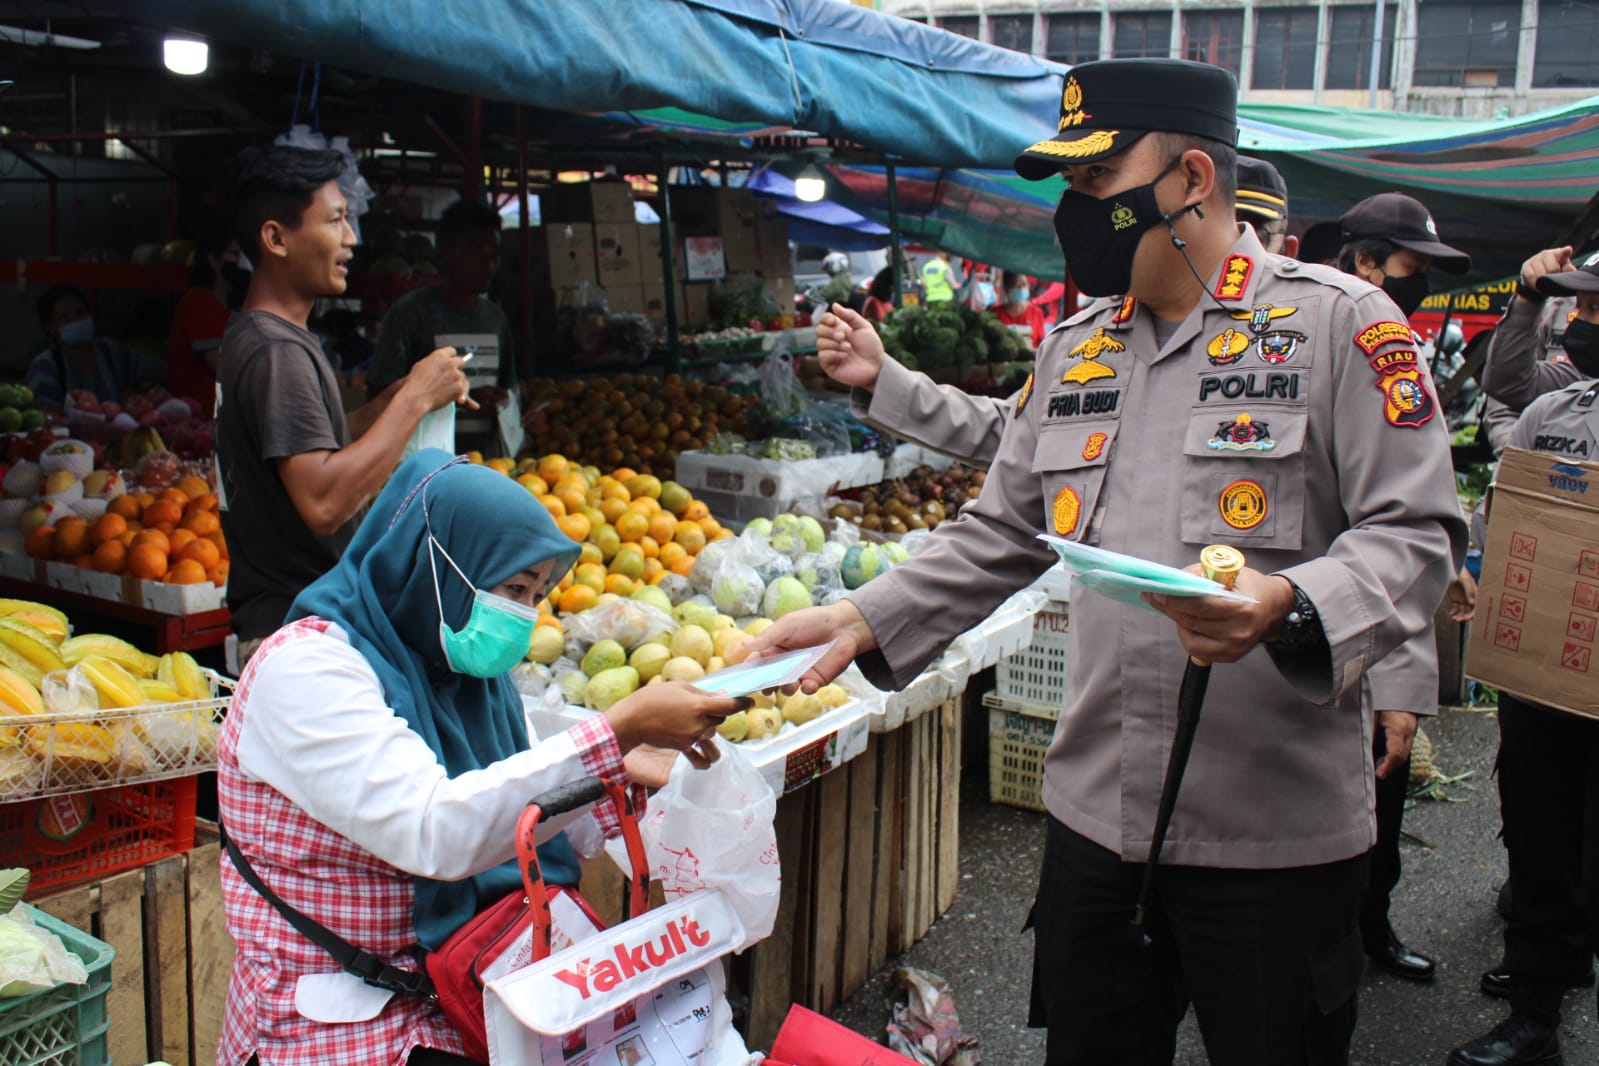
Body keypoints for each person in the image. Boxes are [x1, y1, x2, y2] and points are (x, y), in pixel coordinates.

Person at [753, 58, 1464, 1064]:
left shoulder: (1338, 325)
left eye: (1096, 178)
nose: (1075, 207)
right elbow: (1001, 530)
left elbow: (1417, 532)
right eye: (1069, 182)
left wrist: (1288, 602)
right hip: (1096, 818)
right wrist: (862, 616)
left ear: (1192, 179)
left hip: (1270, 832)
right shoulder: (1074, 347)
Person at [217, 449, 739, 1065]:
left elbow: (524, 822)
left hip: (468, 994)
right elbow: (436, 831)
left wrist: (617, 773)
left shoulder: (469, 678)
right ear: (433, 563)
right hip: (342, 1025)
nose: (524, 615)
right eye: (513, 588)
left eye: (537, 594)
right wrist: (613, 734)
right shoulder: (307, 671)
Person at [215, 144, 473, 664]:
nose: (351, 238)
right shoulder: (277, 351)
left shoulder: (265, 336)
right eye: (335, 220)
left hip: (293, 628)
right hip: (298, 636)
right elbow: (324, 503)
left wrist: (397, 398)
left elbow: (317, 446)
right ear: (276, 239)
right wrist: (415, 399)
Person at [1336, 190, 1475, 983]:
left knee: (1381, 802)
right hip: (1309, 633)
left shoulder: (1398, 355)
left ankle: (1369, 929)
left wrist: (1401, 688)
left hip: (1378, 632)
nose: (1415, 284)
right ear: (1363, 262)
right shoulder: (1320, 352)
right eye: (1408, 267)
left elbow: (1405, 526)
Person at [1445, 351, 1599, 1066]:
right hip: (1546, 672)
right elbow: (1499, 516)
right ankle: (1535, 1013)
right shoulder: (1553, 415)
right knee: (1539, 837)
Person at [367, 198, 515, 455]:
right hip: (425, 462)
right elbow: (379, 397)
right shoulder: (410, 314)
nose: (487, 265)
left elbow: (509, 391)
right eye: (475, 253)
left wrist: (505, 403)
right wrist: (455, 398)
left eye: (494, 256)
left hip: (487, 463)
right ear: (444, 252)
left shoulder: (496, 319)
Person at [1483, 245, 1591, 414]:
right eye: (1581, 306)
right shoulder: (1582, 376)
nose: (1582, 318)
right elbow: (1510, 385)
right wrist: (1530, 295)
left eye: (1594, 307)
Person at [26, 285, 150, 408]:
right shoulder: (44, 366)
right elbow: (47, 413)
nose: (76, 320)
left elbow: (152, 373)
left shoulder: (112, 351)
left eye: (81, 312)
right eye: (65, 317)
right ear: (50, 327)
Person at [169, 228, 250, 411]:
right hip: (199, 417)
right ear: (214, 260)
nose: (241, 263)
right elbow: (223, 366)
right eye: (235, 254)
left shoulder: (230, 309)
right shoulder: (199, 301)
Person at [991, 271, 1045, 349]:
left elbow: (1042, 344)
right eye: (1016, 285)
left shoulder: (1036, 313)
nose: (1021, 288)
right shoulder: (995, 313)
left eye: (1024, 284)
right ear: (1006, 289)